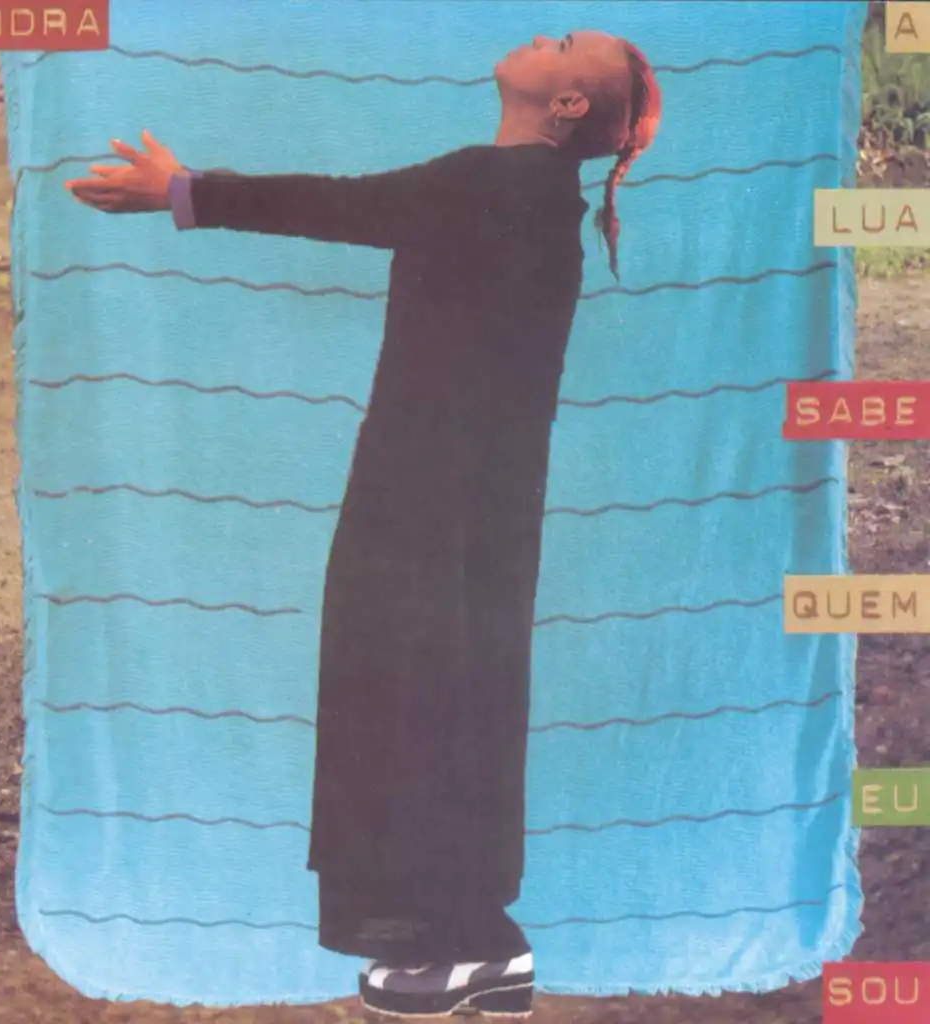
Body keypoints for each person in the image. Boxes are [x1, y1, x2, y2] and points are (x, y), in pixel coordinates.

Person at [67, 29, 662, 1019]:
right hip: (479, 506)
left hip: (422, 499)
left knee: (404, 696)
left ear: (565, 106)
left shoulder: (492, 182)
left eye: (565, 43)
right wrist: (186, 190)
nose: (541, 33)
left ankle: (449, 943)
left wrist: (182, 191)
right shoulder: (536, 198)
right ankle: (483, 941)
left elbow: (340, 204)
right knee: (460, 697)